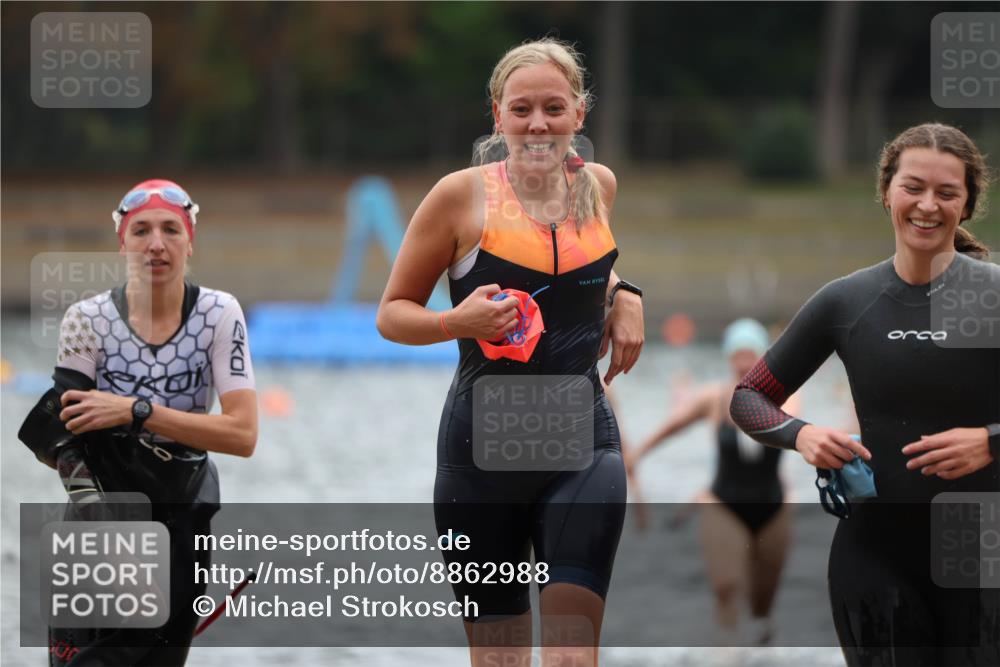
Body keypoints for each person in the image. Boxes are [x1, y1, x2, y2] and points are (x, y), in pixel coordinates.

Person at [376, 38, 644, 666]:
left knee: (573, 657)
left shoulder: (598, 187)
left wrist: (624, 292)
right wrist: (456, 320)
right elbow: (392, 314)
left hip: (583, 444)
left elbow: (579, 271)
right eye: (521, 109)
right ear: (497, 115)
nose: (538, 124)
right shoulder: (458, 197)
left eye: (554, 108)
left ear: (580, 113)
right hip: (480, 454)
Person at [730, 123, 1000, 666]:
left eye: (947, 193)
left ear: (967, 205)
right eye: (913, 187)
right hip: (875, 556)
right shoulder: (846, 301)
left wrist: (990, 442)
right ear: (886, 193)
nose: (928, 205)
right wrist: (802, 435)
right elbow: (748, 398)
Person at [19, 179, 258, 666]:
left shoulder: (219, 314)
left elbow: (242, 434)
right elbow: (63, 445)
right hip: (100, 513)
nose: (156, 244)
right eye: (141, 231)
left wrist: (135, 410)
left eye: (171, 230)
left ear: (190, 241)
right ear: (122, 242)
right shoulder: (87, 319)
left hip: (182, 511)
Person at [626, 318, 794, 645]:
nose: (744, 362)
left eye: (752, 355)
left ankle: (761, 637)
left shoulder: (785, 397)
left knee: (763, 601)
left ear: (763, 358)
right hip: (723, 503)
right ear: (729, 357)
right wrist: (637, 454)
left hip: (774, 507)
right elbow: (672, 426)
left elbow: (799, 425)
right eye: (738, 354)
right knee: (727, 587)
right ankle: (728, 653)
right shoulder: (713, 397)